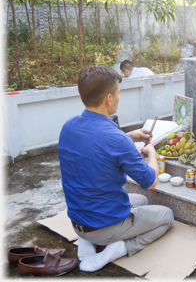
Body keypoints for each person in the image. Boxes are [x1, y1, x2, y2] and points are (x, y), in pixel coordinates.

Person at [58, 65, 173, 272]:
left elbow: (94, 143)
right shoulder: (116, 139)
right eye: (118, 93)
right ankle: (119, 248)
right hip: (103, 227)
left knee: (141, 201)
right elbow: (150, 181)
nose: (119, 98)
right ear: (109, 99)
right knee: (166, 216)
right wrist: (152, 154)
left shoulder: (69, 126)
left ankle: (86, 242)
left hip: (78, 220)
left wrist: (129, 136)